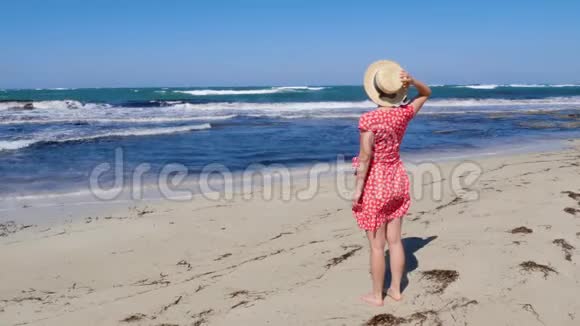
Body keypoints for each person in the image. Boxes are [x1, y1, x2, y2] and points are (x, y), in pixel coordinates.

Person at [352, 60, 431, 307]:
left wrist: (357, 191)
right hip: (397, 178)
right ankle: (396, 290)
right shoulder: (403, 114)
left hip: (377, 183)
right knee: (395, 240)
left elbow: (365, 158)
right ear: (398, 91)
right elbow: (426, 93)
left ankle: (377, 296)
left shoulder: (369, 120)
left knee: (377, 246)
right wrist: (413, 80)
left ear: (375, 92)